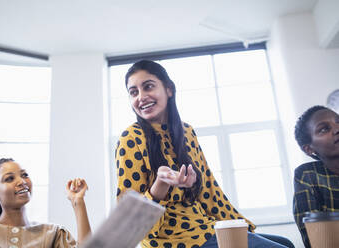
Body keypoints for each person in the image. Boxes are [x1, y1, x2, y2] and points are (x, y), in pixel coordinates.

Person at [115, 60, 293, 248]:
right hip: (168, 240)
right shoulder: (130, 138)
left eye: (148, 87)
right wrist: (161, 184)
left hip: (205, 228)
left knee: (285, 243)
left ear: (169, 89)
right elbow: (129, 221)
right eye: (133, 92)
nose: (141, 97)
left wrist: (241, 228)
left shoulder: (187, 132)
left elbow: (209, 190)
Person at [0, 158, 91, 247]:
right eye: (9, 178)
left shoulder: (54, 233)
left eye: (24, 175)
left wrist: (78, 201)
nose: (22, 181)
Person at [293, 105, 339, 248]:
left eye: (338, 121)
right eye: (324, 129)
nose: (337, 129)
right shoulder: (307, 174)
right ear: (309, 149)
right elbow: (314, 239)